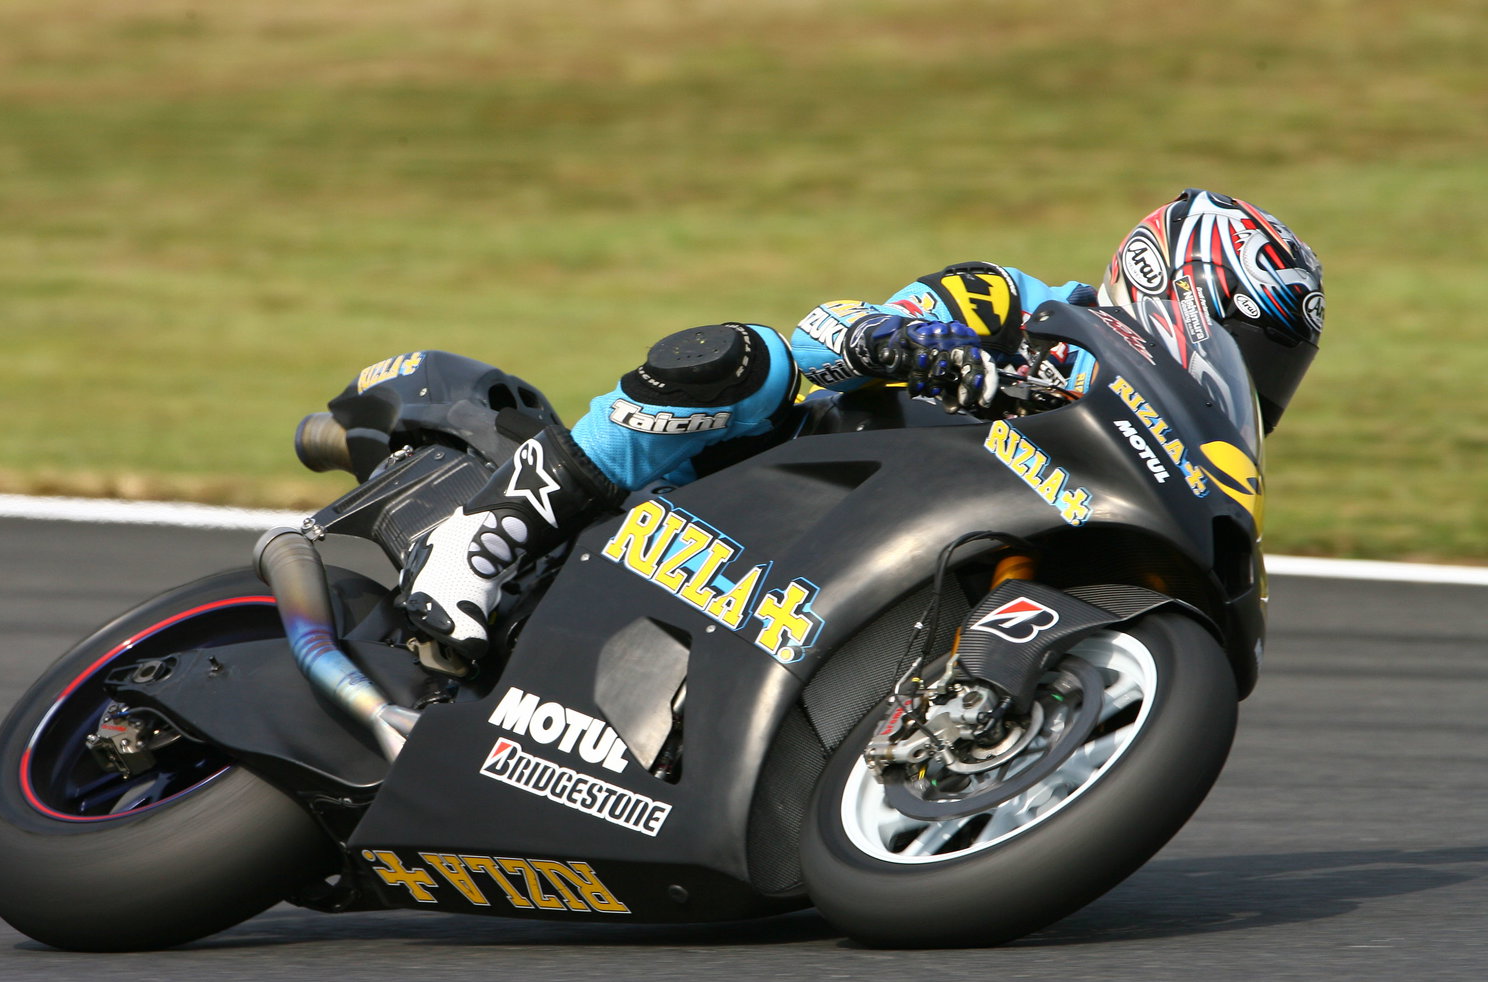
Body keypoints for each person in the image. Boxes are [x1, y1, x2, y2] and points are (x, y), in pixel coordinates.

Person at [400, 188, 1324, 659]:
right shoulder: (1025, 304)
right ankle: (495, 527)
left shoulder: (1149, 430)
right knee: (747, 358)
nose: (1255, 378)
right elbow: (843, 327)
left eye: (1274, 367)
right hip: (771, 477)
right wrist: (926, 348)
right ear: (1172, 279)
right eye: (1251, 342)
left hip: (869, 560)